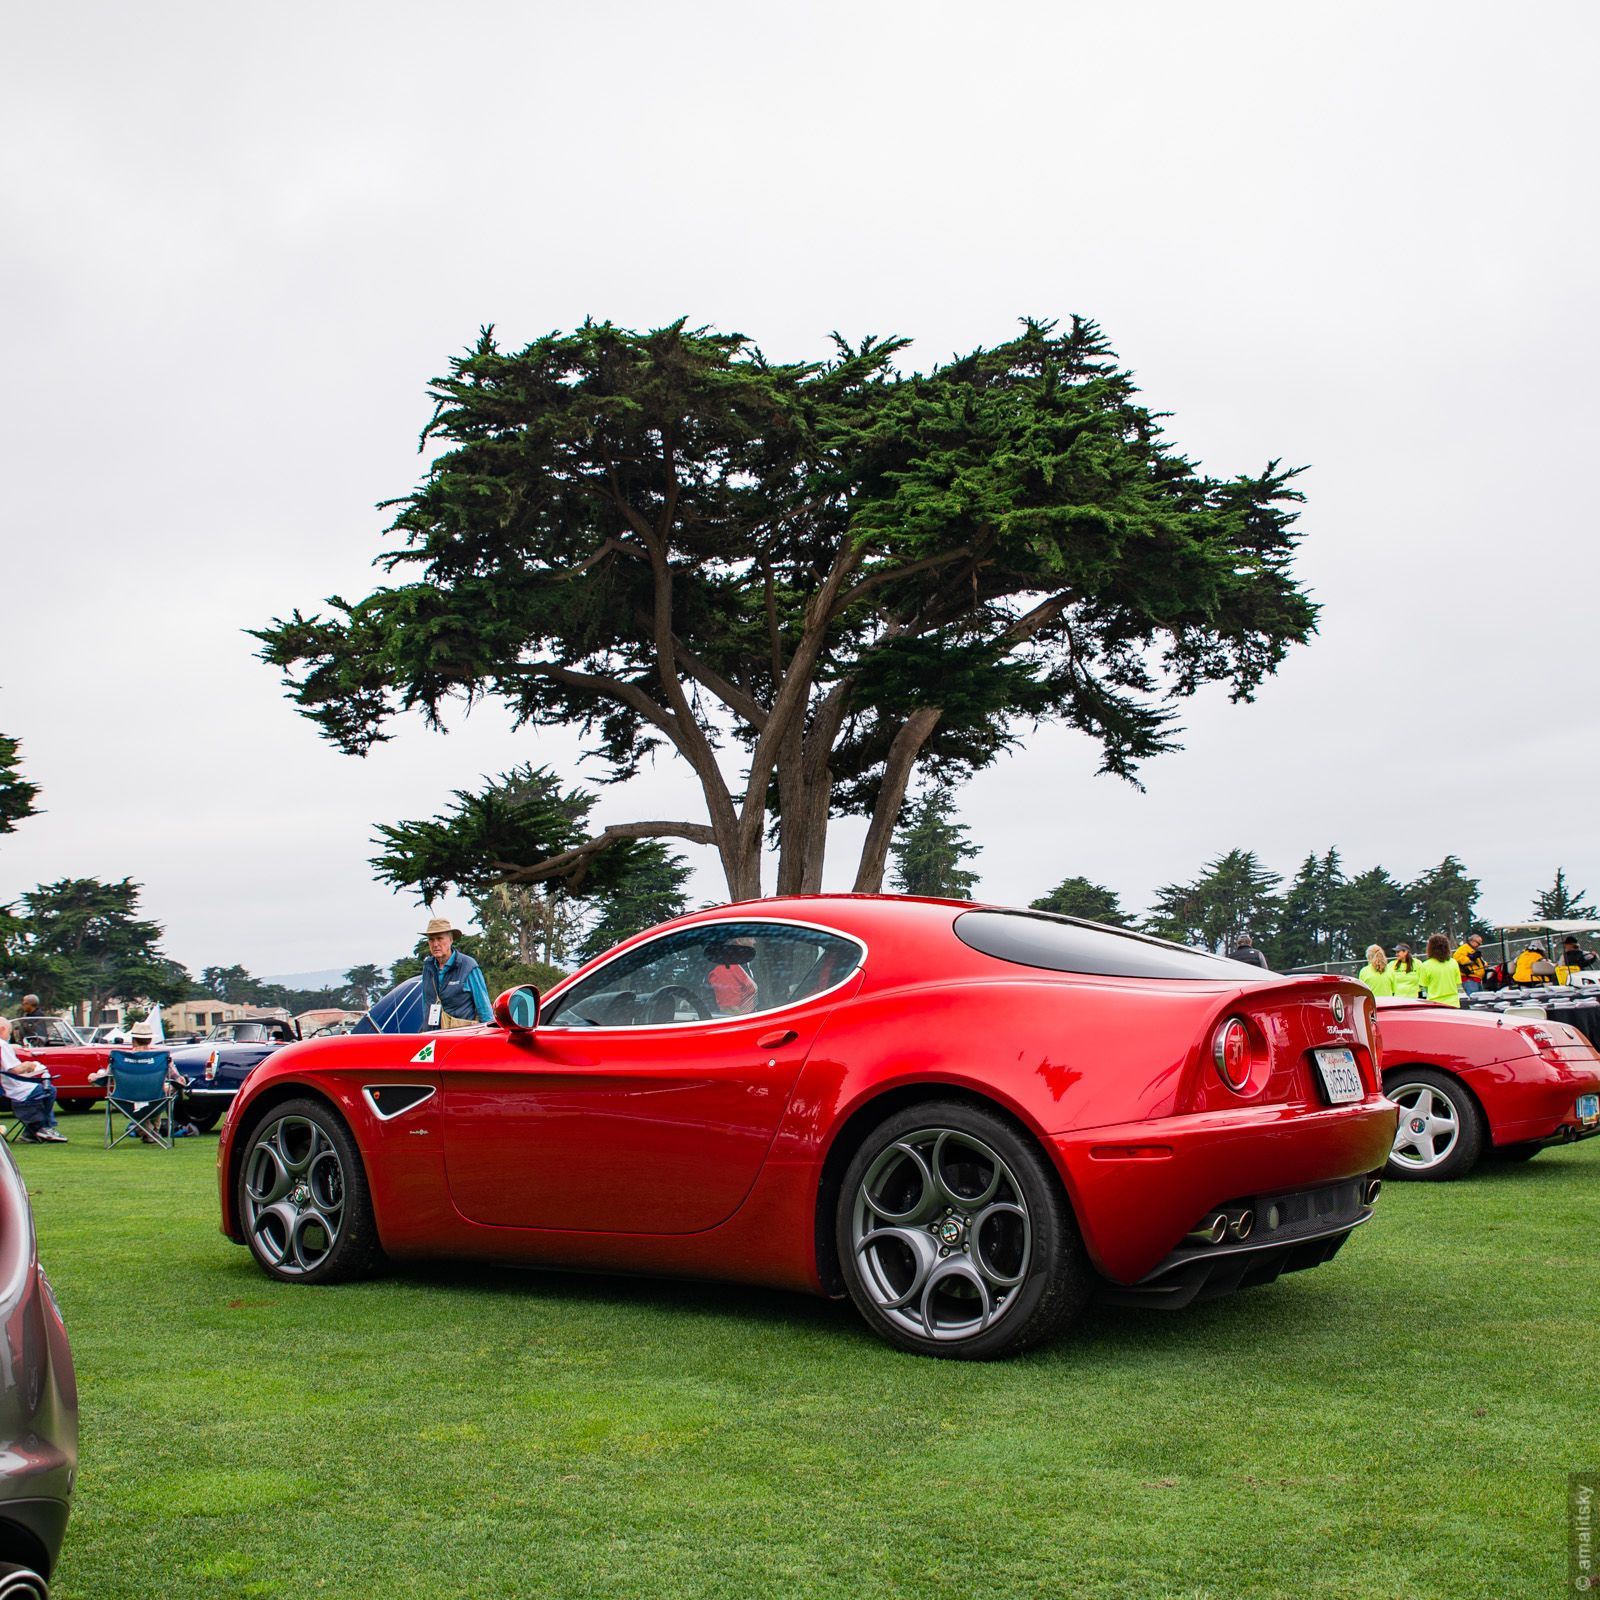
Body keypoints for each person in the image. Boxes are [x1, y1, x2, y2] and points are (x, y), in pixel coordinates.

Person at [0, 1018, 68, 1143]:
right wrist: (29, 1065)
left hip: (5, 1087)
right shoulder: (2, 1045)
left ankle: (35, 1129)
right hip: (11, 1089)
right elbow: (14, 1070)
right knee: (49, 1089)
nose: (9, 1036)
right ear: (2, 1029)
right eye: (9, 1033)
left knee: (44, 1087)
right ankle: (44, 1127)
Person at [420, 917, 493, 1029]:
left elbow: (484, 1008)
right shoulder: (428, 966)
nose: (435, 944)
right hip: (433, 1036)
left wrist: (491, 1034)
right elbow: (426, 1004)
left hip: (461, 1037)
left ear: (450, 939)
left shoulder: (468, 966)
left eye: (439, 939)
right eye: (431, 939)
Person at [707, 939, 758, 1014]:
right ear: (739, 940)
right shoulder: (725, 970)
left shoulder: (742, 966)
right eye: (750, 937)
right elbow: (729, 1010)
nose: (754, 941)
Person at [1418, 934, 1463, 1007]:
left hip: (1434, 1004)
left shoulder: (1425, 965)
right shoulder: (1453, 962)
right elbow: (1458, 983)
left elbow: (1424, 987)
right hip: (1453, 1003)